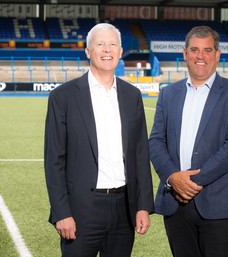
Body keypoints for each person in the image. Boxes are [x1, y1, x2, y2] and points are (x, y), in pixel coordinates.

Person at [44, 23, 154, 257]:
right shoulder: (62, 97)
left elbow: (140, 154)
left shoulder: (132, 95)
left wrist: (143, 205)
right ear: (88, 52)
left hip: (124, 210)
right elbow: (54, 160)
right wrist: (62, 212)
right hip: (82, 209)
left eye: (112, 44)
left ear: (120, 52)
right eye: (100, 44)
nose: (107, 50)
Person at [148, 26, 228, 257]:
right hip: (175, 203)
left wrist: (189, 182)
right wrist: (172, 177)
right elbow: (155, 140)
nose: (200, 56)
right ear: (185, 54)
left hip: (219, 203)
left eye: (207, 50)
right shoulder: (168, 93)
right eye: (194, 50)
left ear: (217, 54)